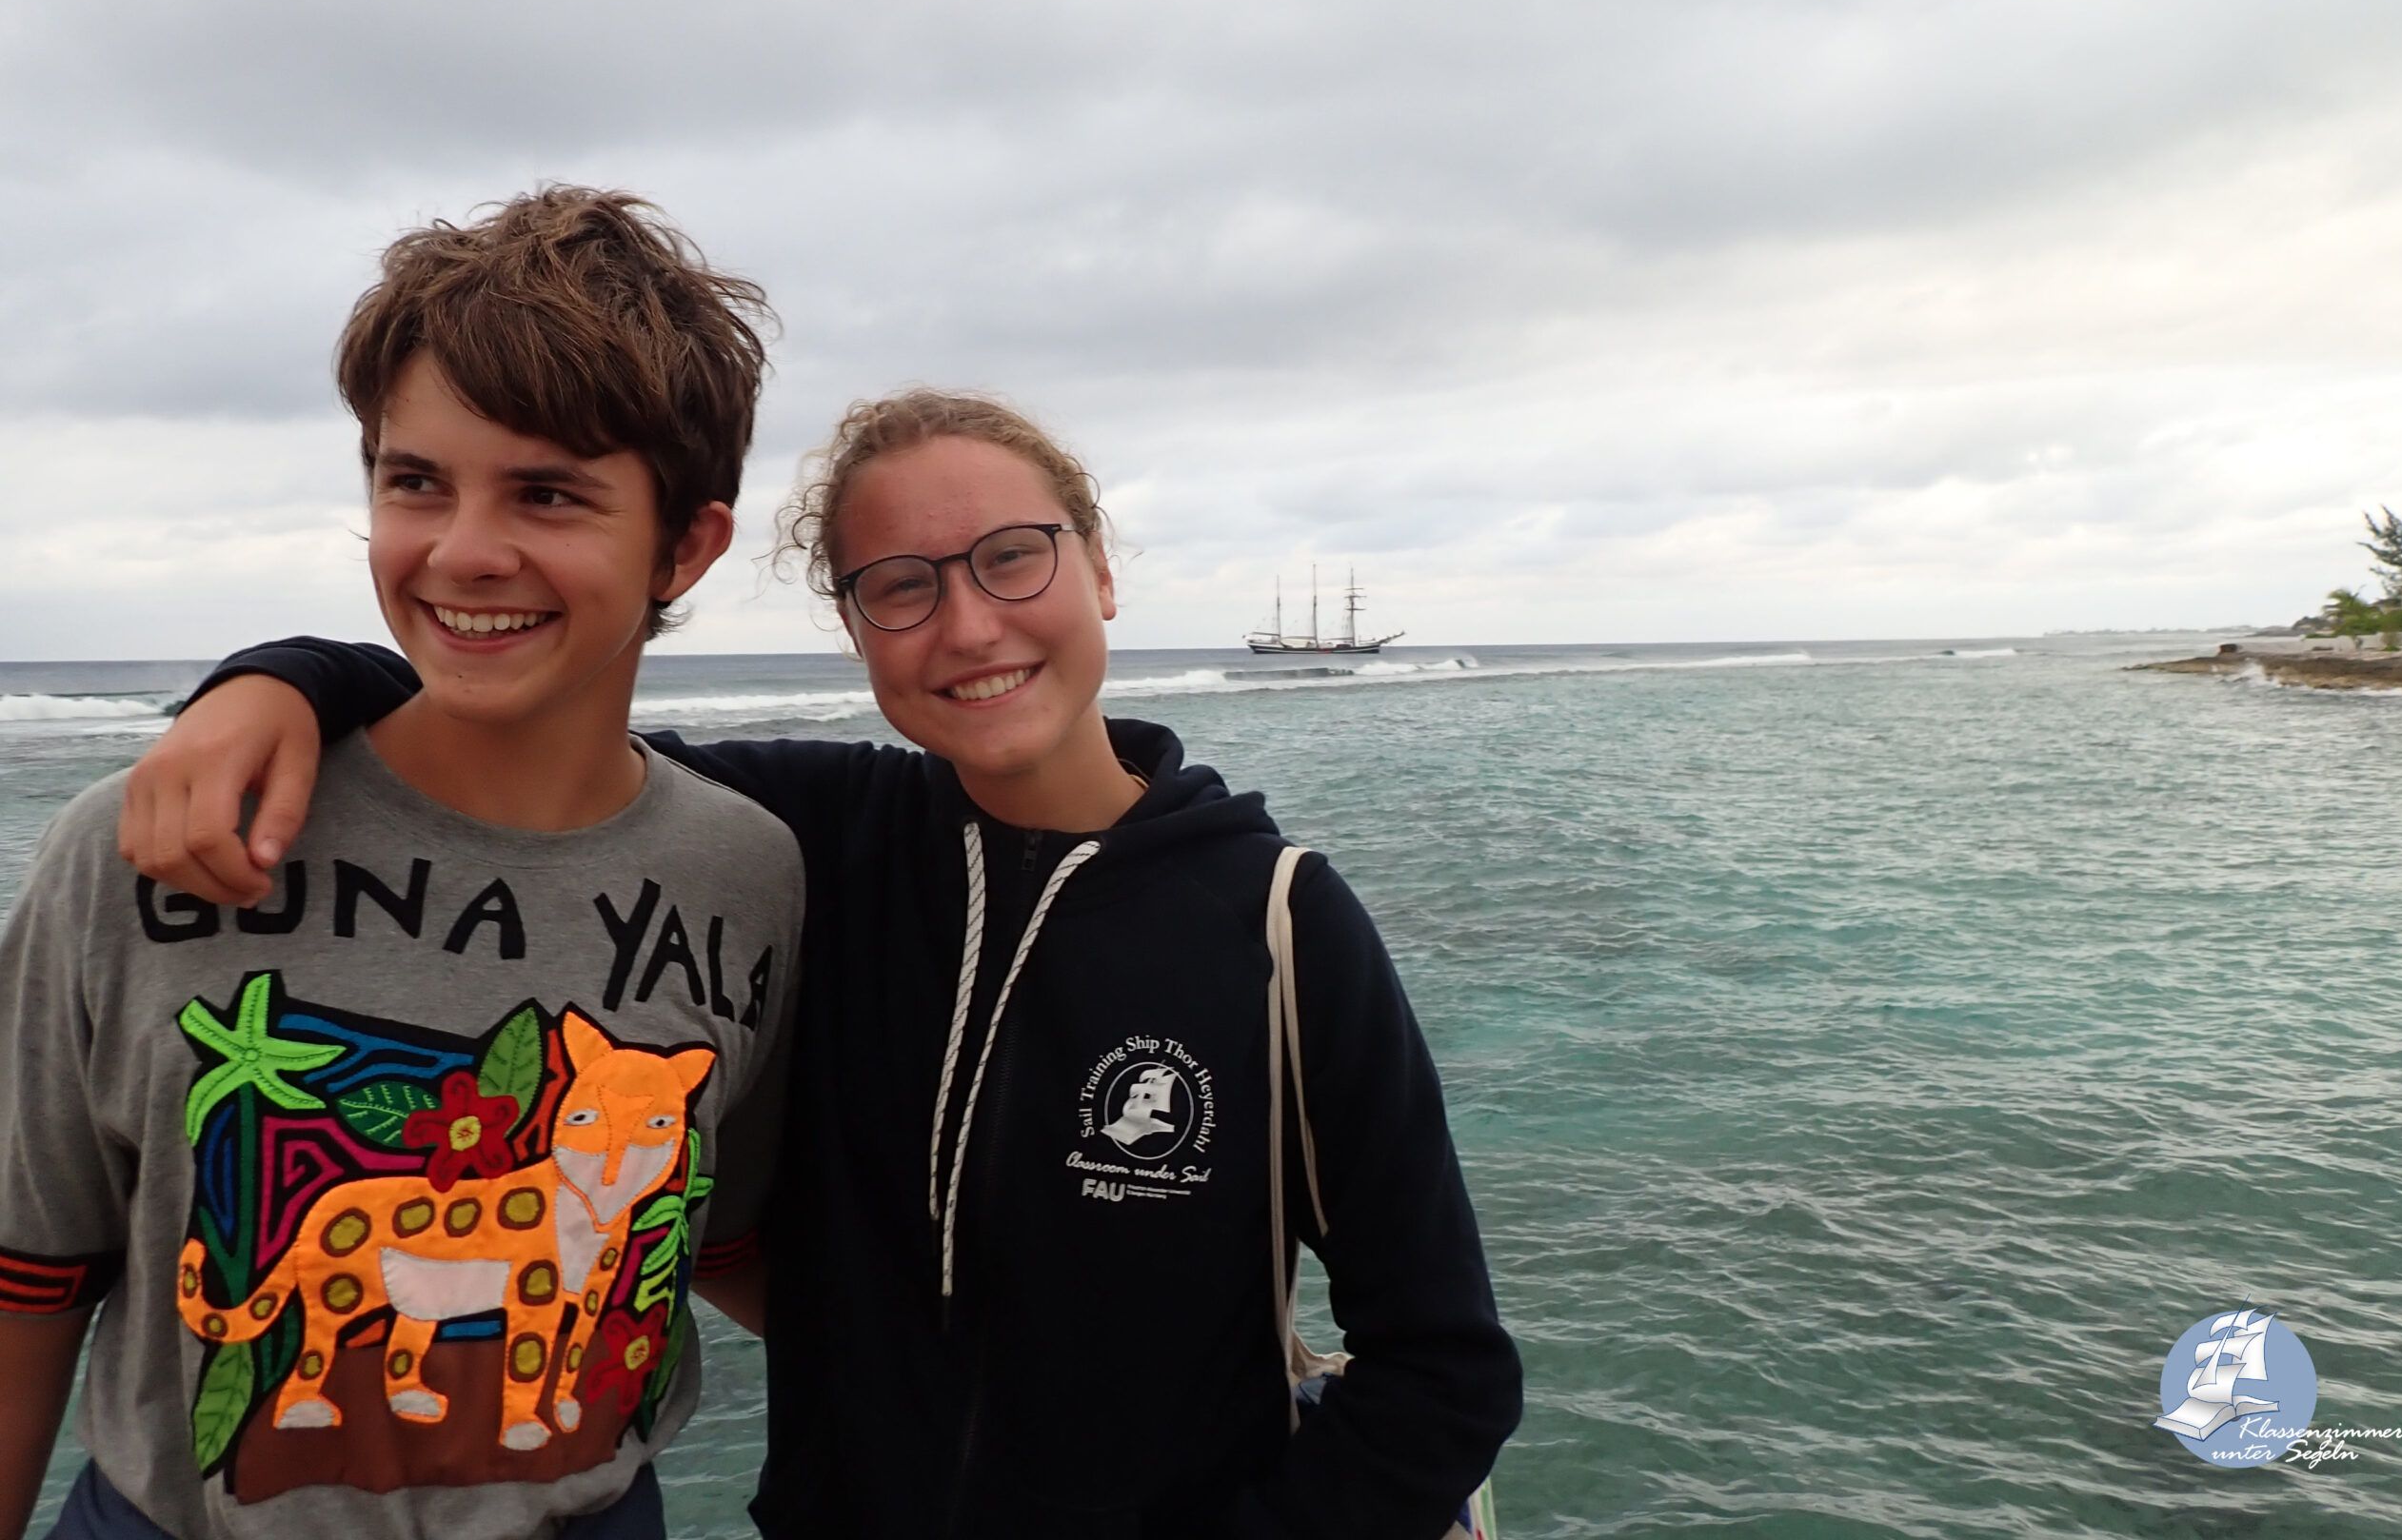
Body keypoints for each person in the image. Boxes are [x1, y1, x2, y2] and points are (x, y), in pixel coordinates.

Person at [118, 390, 1523, 1538]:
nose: (966, 625)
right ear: (855, 629)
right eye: (899, 588)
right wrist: (284, 678)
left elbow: (1444, 1369)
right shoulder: (807, 840)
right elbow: (532, 740)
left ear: (1098, 567)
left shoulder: (1278, 921)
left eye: (1013, 557)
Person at [0, 189, 805, 1540]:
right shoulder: (148, 842)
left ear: (685, 546)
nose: (462, 551)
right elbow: (26, 1279)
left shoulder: (748, 870)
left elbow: (712, 1235)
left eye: (548, 493)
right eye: (415, 481)